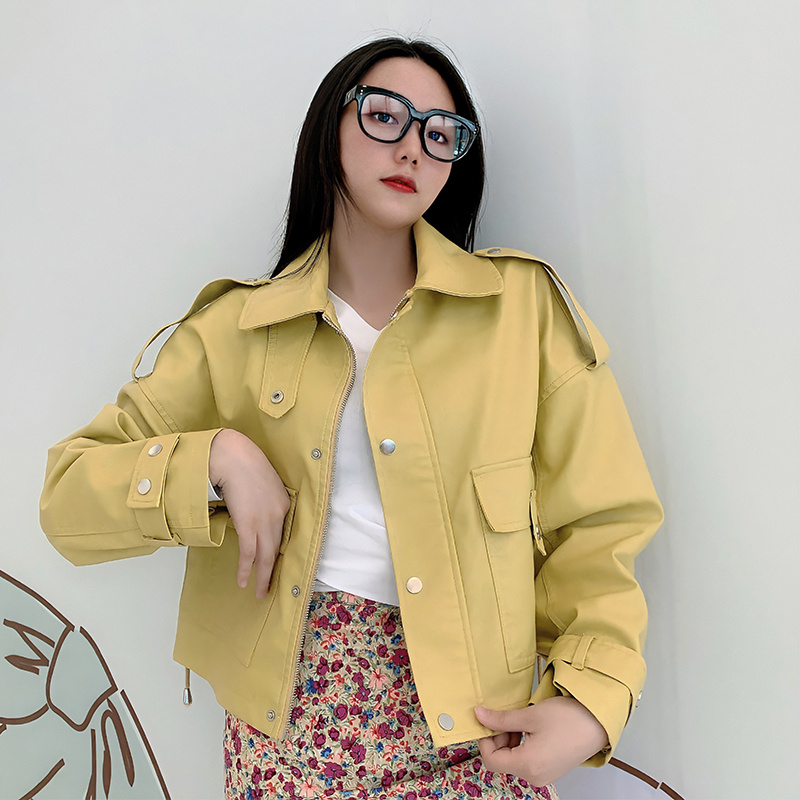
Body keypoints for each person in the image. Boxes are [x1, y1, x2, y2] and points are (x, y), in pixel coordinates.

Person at [40, 37, 663, 799]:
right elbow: (68, 498)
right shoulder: (234, 330)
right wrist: (217, 458)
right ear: (329, 127)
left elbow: (602, 523)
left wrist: (592, 700)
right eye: (384, 116)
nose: (412, 147)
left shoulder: (523, 312)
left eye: (441, 132)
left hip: (476, 730)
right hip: (288, 738)